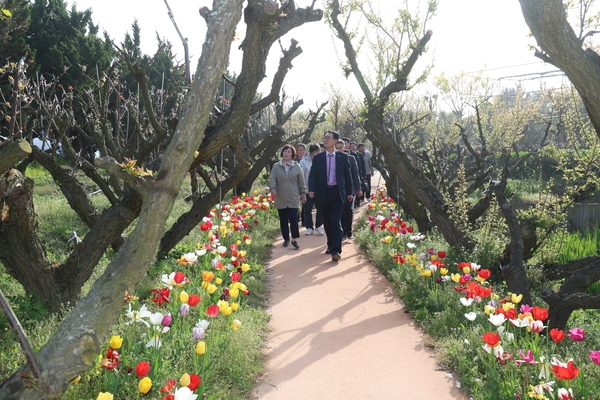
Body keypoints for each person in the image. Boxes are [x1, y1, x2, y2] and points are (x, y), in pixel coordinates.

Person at [308, 131, 353, 261]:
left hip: (338, 193)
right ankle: (330, 244)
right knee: (327, 221)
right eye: (325, 138)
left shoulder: (342, 157)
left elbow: (347, 177)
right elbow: (313, 176)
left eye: (328, 138)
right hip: (323, 193)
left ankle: (336, 250)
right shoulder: (318, 158)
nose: (325, 140)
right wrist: (311, 189)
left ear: (335, 141)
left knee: (336, 221)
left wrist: (349, 192)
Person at [270, 144, 306, 250]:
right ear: (282, 153)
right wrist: (272, 188)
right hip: (280, 196)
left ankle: (294, 239)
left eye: (289, 152)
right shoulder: (276, 166)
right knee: (283, 219)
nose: (286, 153)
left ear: (292, 154)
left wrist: (303, 193)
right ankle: (286, 239)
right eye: (285, 151)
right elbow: (273, 178)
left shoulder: (297, 166)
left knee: (293, 218)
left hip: (293, 196)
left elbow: (301, 181)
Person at [335, 141, 362, 240]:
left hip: (350, 189)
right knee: (340, 211)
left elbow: (355, 174)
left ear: (344, 147)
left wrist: (358, 188)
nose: (338, 149)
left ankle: (349, 231)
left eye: (340, 147)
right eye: (336, 148)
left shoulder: (351, 158)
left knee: (349, 210)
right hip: (338, 190)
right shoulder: (332, 159)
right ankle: (343, 232)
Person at [300, 144, 325, 236]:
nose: (319, 154)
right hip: (307, 190)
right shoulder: (303, 162)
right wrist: (305, 191)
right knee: (307, 209)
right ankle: (309, 227)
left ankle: (319, 225)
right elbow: (302, 177)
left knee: (320, 208)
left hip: (319, 190)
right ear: (313, 152)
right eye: (317, 152)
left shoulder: (321, 161)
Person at [350, 141, 366, 206]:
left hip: (359, 174)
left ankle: (358, 201)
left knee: (359, 188)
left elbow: (362, 165)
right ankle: (354, 202)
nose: (353, 148)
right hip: (352, 174)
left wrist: (363, 174)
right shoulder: (348, 154)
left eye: (354, 146)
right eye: (351, 146)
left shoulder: (359, 155)